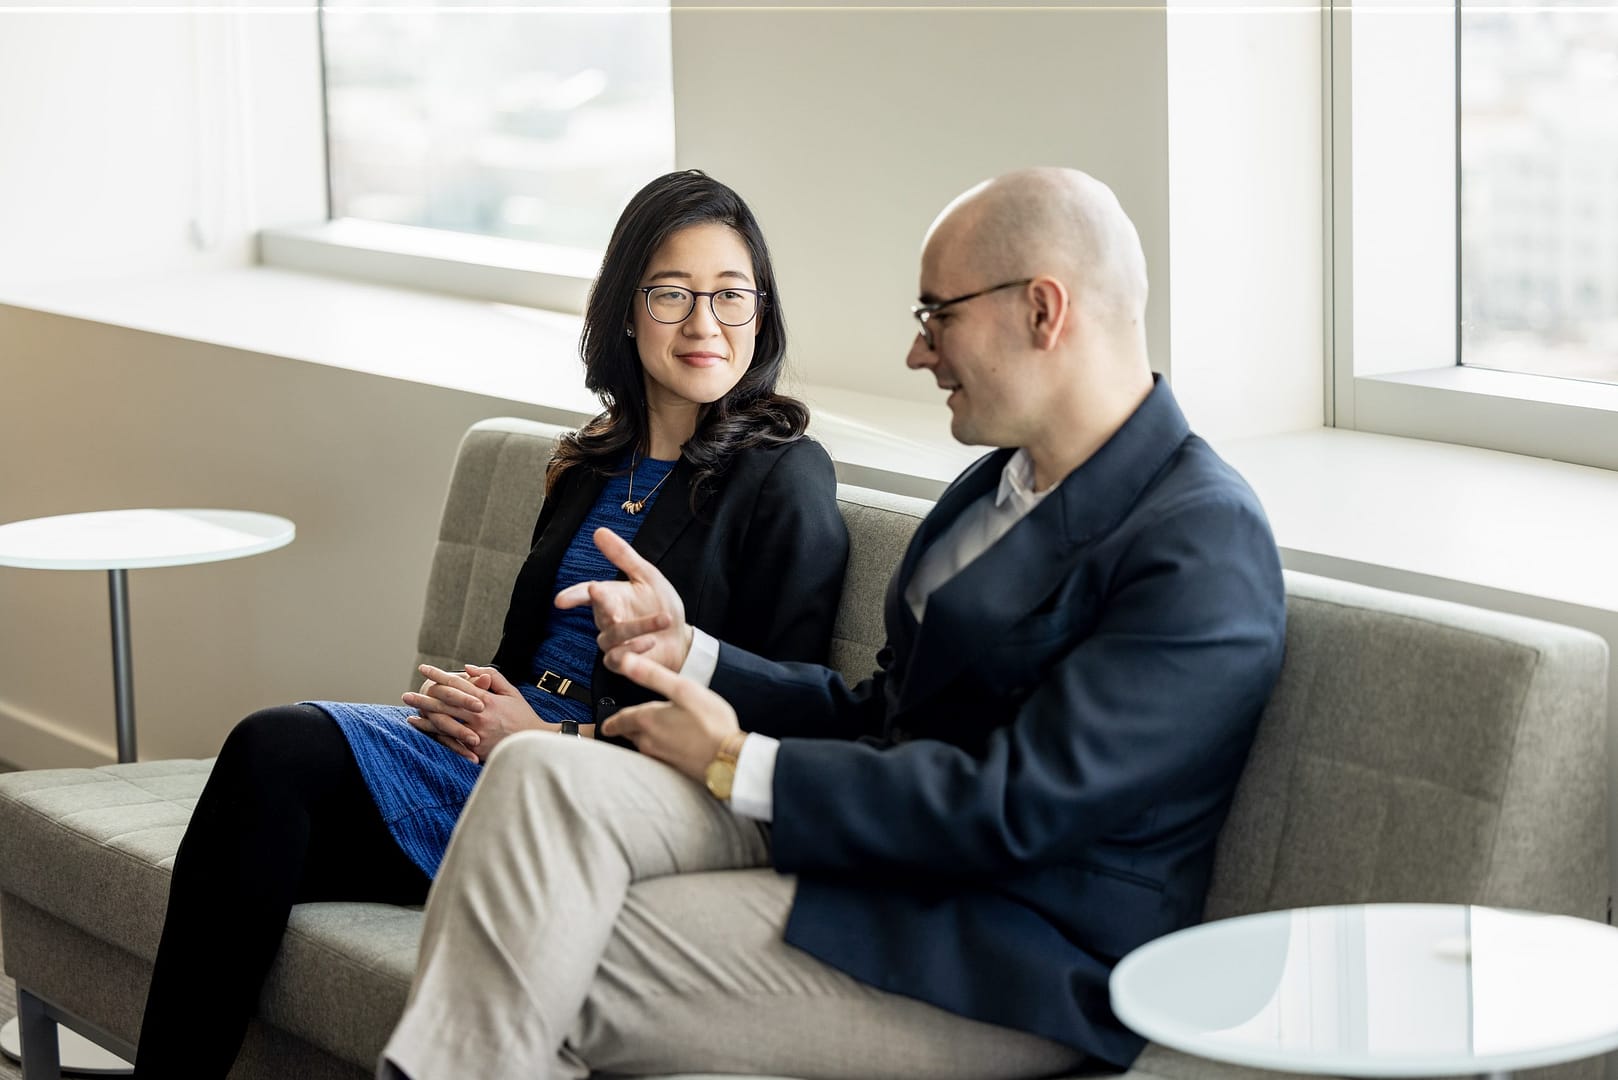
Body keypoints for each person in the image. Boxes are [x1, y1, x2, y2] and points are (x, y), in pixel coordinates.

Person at [380, 166, 1287, 1080]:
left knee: (544, 948)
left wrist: (738, 761)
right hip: (882, 843)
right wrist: (692, 654)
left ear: (1043, 312)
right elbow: (883, 712)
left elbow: (1020, 806)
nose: (917, 354)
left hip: (1019, 946)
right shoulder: (993, 488)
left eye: (937, 315)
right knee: (542, 771)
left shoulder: (1201, 540)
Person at [130, 169, 850, 1079]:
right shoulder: (594, 460)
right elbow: (528, 652)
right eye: (672, 294)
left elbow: (773, 715)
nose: (705, 323)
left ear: (762, 310)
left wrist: (548, 735)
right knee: (264, 789)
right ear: (627, 309)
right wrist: (472, 705)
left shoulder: (785, 476)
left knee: (274, 763)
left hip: (609, 782)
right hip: (493, 749)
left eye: (730, 294)